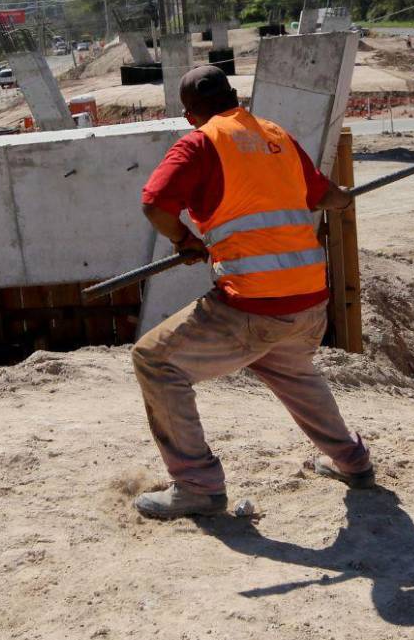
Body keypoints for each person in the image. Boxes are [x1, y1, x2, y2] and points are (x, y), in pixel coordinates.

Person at [130, 65, 374, 519]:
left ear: (189, 116)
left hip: (253, 304)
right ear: (235, 97)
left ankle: (198, 486)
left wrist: (185, 242)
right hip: (308, 303)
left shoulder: (200, 142)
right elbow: (326, 197)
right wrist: (343, 196)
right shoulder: (275, 136)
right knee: (289, 367)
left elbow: (155, 203)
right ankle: (352, 461)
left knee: (155, 359)